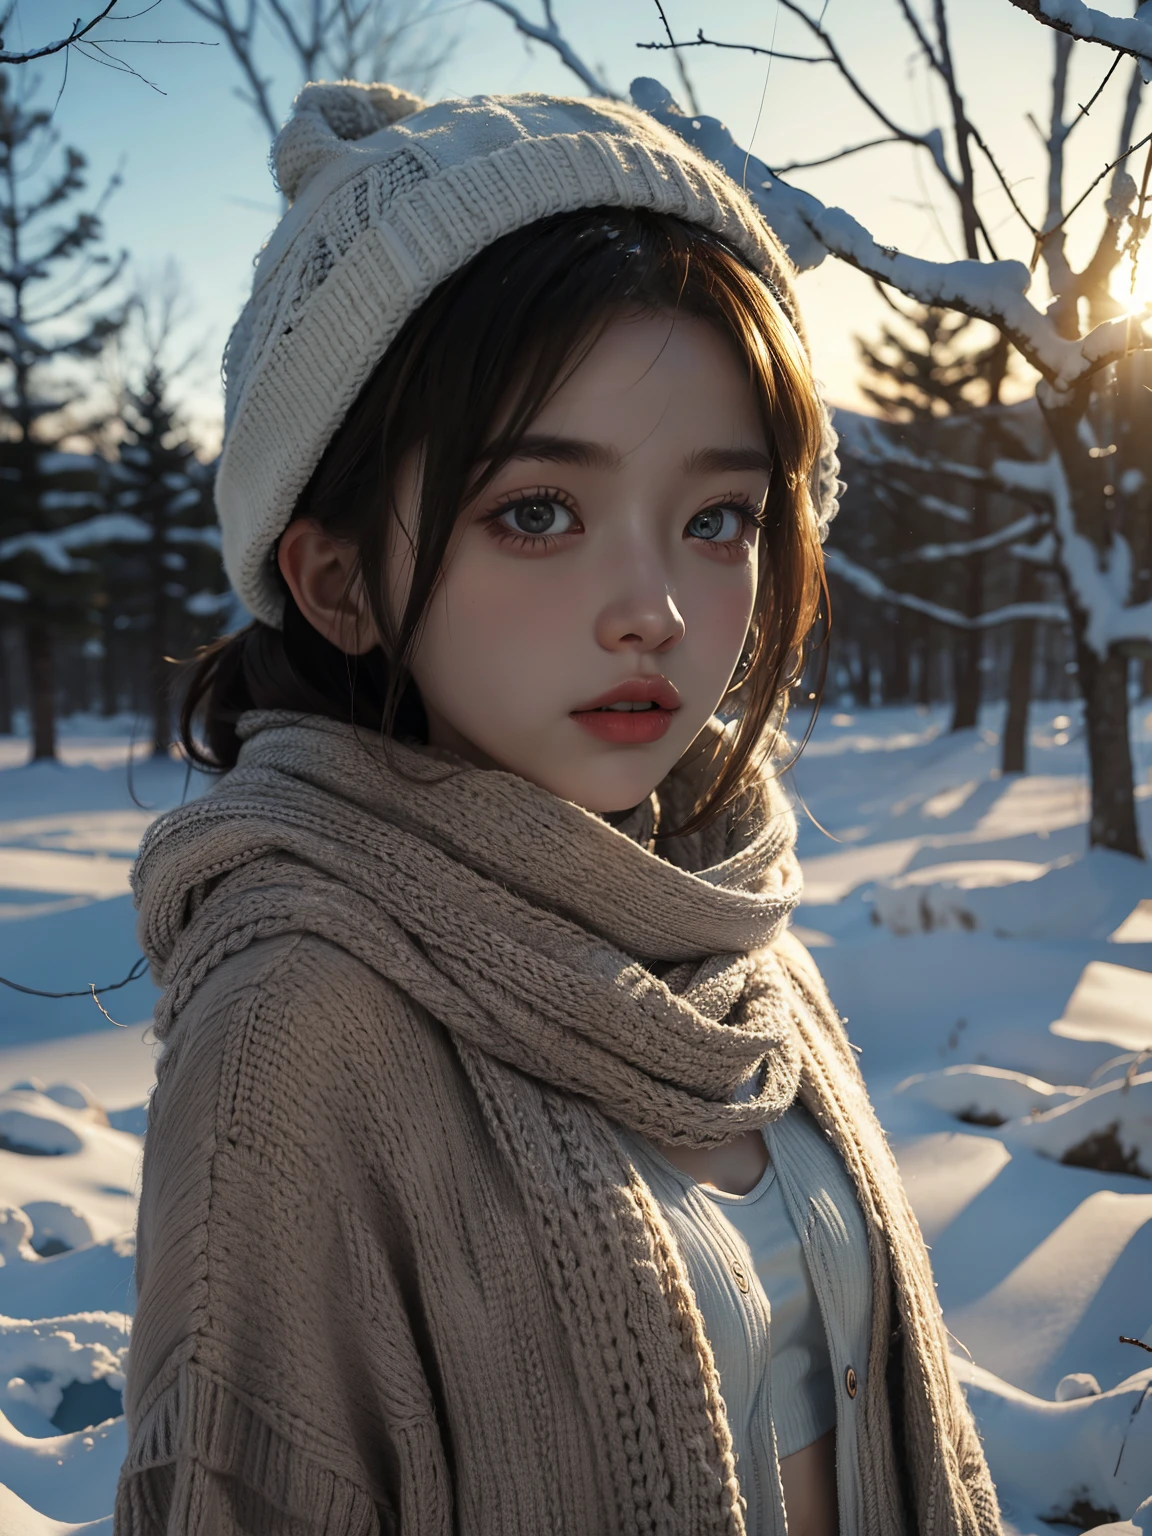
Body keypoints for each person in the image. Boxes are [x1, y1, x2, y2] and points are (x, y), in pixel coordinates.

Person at [114, 82, 1001, 1536]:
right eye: (537, 511)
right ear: (337, 580)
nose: (654, 611)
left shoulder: (726, 929)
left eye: (719, 519)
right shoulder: (298, 1032)